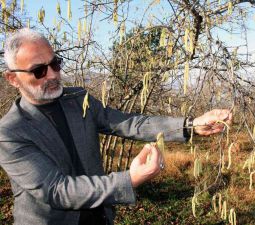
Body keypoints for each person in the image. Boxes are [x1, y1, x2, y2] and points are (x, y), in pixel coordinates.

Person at [0, 28, 232, 225]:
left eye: (55, 64)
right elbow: (57, 190)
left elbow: (130, 123)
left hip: (100, 217)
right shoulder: (9, 133)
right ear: (12, 78)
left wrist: (191, 125)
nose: (52, 75)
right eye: (39, 70)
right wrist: (129, 179)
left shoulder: (79, 100)